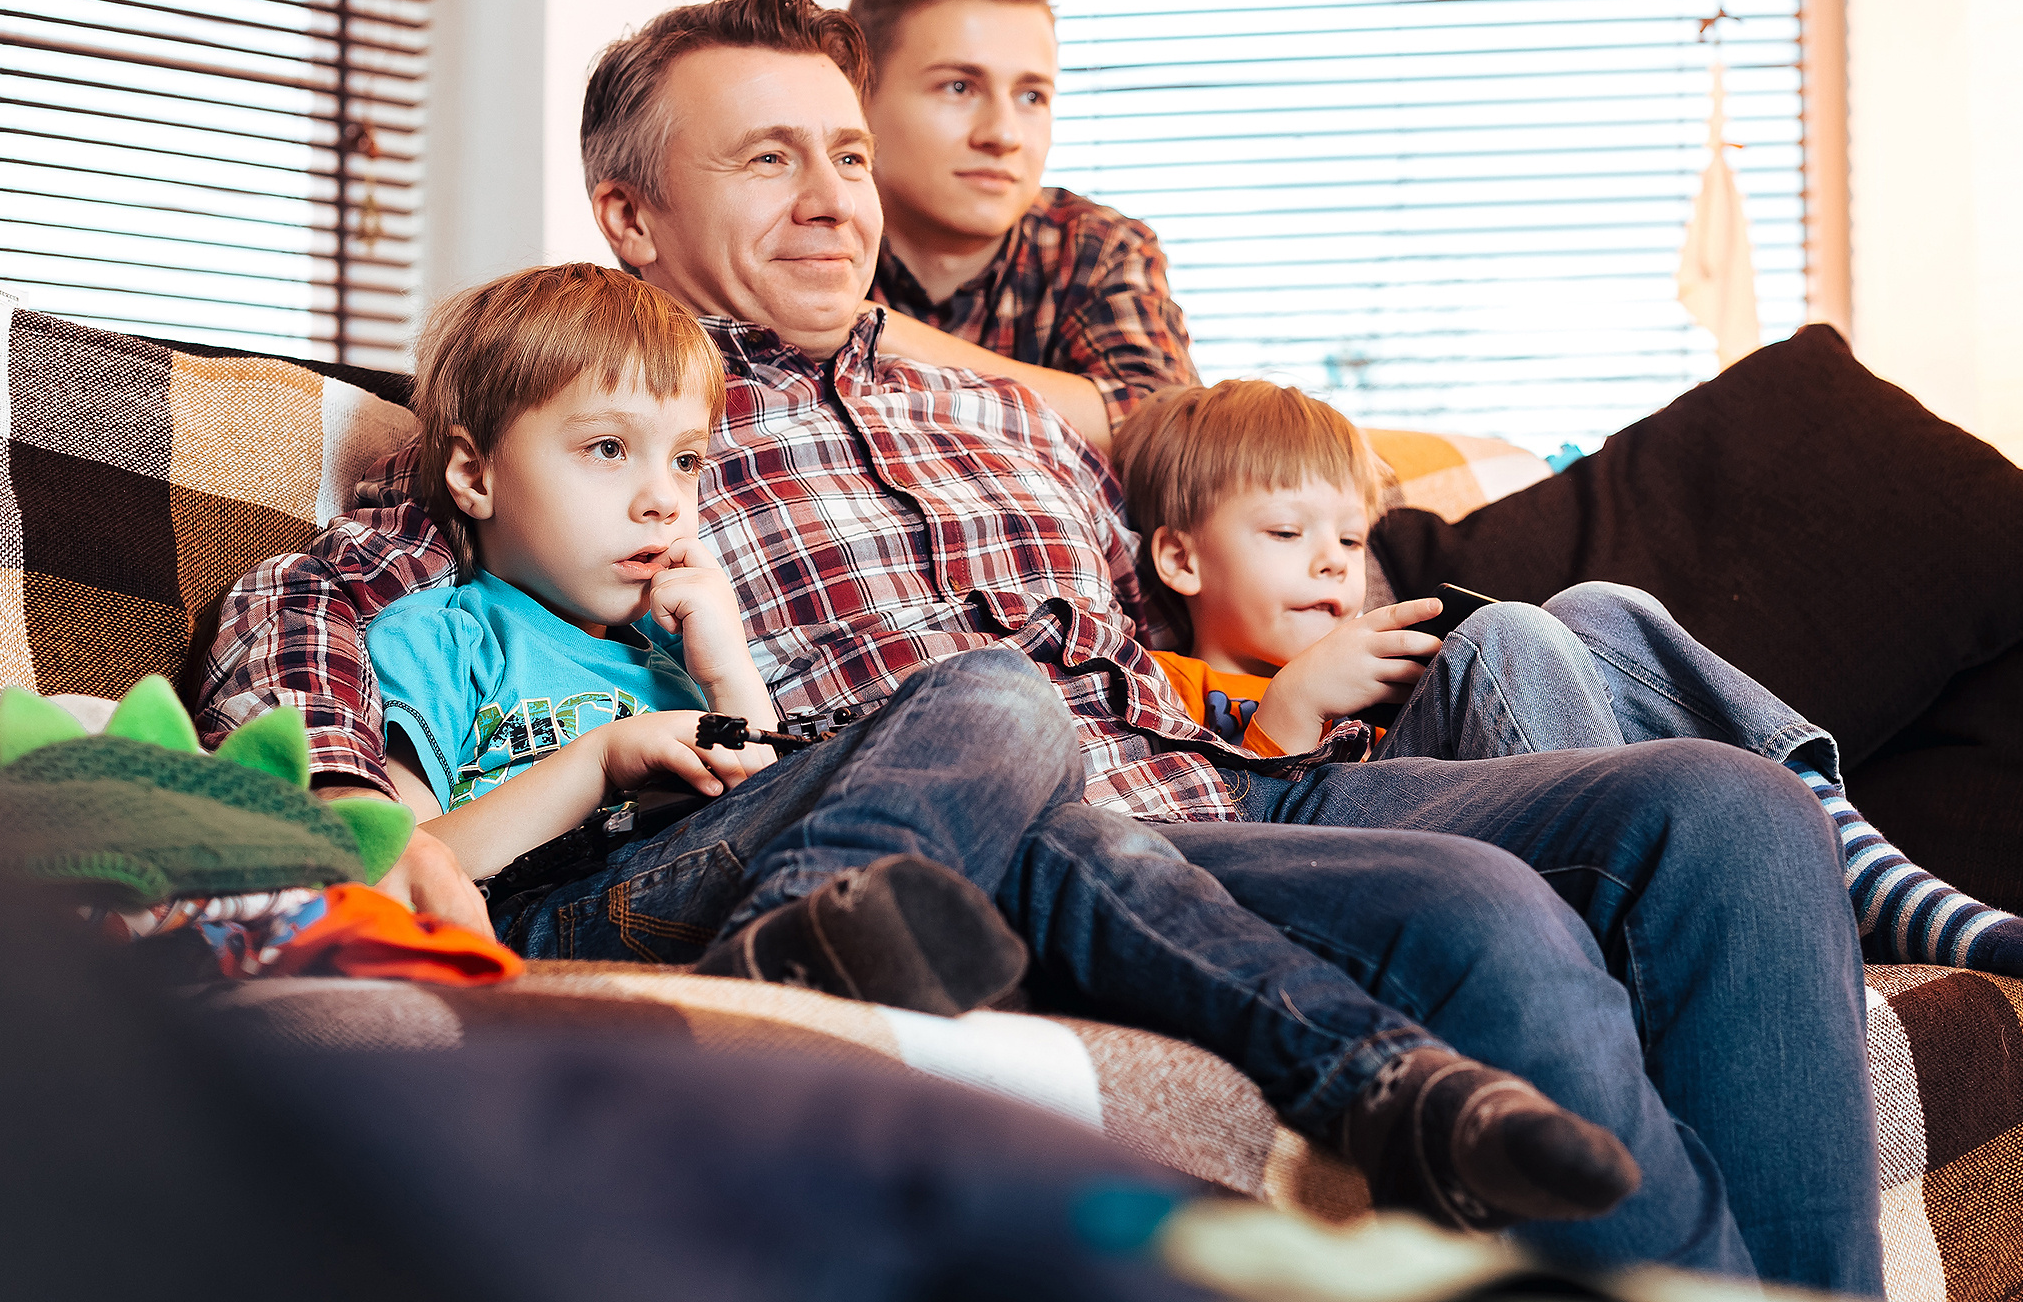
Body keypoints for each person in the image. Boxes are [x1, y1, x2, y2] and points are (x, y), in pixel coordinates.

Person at [198, 0, 1883, 1294]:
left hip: (1233, 789)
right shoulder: (620, 412)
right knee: (1482, 916)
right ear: (633, 215)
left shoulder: (1008, 409)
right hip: (1009, 841)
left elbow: (1229, 536)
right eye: (764, 157)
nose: (829, 196)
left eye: (846, 150)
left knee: (1731, 813)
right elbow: (345, 596)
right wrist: (368, 813)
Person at [360, 259, 1639, 1232]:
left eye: (686, 460)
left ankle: (1388, 1083)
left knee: (1062, 833)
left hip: (723, 871)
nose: (659, 496)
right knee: (999, 695)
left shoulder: (667, 639)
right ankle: (797, 956)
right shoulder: (439, 633)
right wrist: (596, 759)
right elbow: (409, 868)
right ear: (472, 476)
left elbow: (761, 774)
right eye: (605, 452)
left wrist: (717, 663)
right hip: (567, 910)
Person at [1111, 380, 2023, 978]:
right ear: (1183, 561)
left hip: (1475, 820)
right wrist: (1290, 708)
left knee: (1597, 608)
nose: (1334, 564)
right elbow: (1203, 860)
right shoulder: (1158, 684)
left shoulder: (1390, 666)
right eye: (1287, 534)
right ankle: (1655, 918)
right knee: (1511, 637)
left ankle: (1845, 847)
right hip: (1367, 873)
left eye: (1352, 539)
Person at [851, 0, 1199, 451]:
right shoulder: (797, 238)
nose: (1004, 134)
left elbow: (1166, 436)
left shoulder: (1094, 247)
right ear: (859, 93)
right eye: (959, 87)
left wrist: (873, 331)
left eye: (1032, 96)